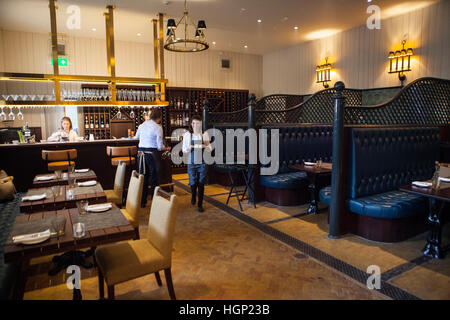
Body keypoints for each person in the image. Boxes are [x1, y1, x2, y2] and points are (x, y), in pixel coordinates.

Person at [135, 108, 170, 208]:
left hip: (141, 154)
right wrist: (166, 148)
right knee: (154, 178)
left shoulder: (142, 125)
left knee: (143, 178)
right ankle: (154, 201)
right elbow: (159, 147)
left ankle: (142, 202)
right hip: (152, 154)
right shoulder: (158, 127)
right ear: (159, 118)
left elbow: (136, 138)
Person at [182, 115, 211, 212]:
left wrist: (203, 145)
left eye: (198, 123)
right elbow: (184, 150)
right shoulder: (187, 135)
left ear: (200, 124)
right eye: (194, 123)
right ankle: (193, 194)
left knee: (201, 183)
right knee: (193, 183)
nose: (196, 125)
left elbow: (210, 148)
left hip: (202, 163)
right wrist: (189, 148)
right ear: (191, 124)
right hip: (191, 162)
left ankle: (200, 204)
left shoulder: (204, 134)